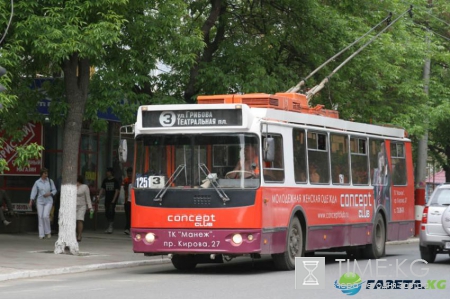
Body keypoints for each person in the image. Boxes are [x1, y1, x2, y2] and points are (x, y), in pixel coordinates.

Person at [29, 168, 57, 239]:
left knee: (45, 215)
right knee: (40, 217)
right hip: (40, 201)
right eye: (45, 173)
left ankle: (48, 232)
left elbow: (54, 190)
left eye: (47, 173)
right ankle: (41, 234)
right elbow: (34, 192)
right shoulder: (37, 182)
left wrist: (49, 193)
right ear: (41, 174)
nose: (46, 175)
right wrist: (31, 201)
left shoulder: (50, 181)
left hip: (48, 201)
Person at [98, 167, 120, 234]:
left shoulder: (115, 180)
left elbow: (117, 191)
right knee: (107, 212)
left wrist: (114, 200)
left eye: (108, 172)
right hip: (107, 198)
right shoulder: (105, 180)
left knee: (111, 211)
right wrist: (99, 196)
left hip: (112, 199)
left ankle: (111, 226)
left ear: (111, 173)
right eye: (106, 171)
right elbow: (102, 189)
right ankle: (109, 225)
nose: (107, 173)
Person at [76, 175, 92, 242]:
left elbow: (88, 197)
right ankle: (74, 234)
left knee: (80, 220)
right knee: (73, 221)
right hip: (73, 206)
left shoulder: (85, 187)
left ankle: (79, 235)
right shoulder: (72, 186)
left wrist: (90, 207)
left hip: (82, 206)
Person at [122, 167, 132, 235]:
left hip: (133, 200)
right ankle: (127, 228)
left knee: (131, 215)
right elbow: (124, 189)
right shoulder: (126, 180)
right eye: (128, 173)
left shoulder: (135, 180)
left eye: (130, 173)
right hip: (127, 200)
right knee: (127, 215)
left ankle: (128, 228)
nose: (129, 174)